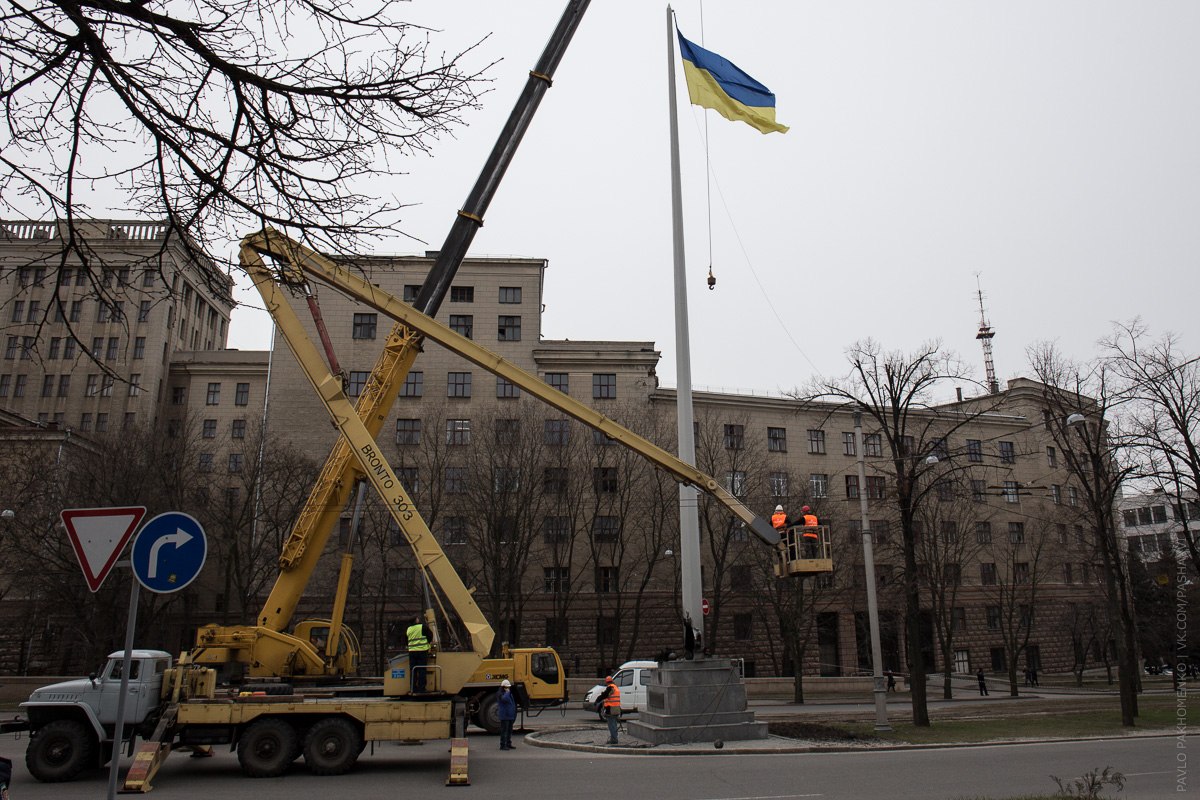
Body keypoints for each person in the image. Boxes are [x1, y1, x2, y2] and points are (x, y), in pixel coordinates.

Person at [406, 614, 432, 693]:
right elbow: (430, 635)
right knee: (422, 670)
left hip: (412, 652)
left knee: (413, 670)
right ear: (416, 620)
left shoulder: (409, 629)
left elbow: (405, 640)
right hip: (422, 651)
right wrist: (428, 643)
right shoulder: (422, 627)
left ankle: (413, 688)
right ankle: (421, 688)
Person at [600, 675, 621, 745]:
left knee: (611, 724)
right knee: (614, 724)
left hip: (611, 709)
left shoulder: (610, 687)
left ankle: (614, 739)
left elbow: (605, 695)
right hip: (616, 709)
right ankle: (614, 738)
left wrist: (598, 700)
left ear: (607, 682)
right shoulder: (616, 687)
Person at [497, 679, 517, 750]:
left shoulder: (509, 694)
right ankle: (503, 745)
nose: (507, 689)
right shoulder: (502, 694)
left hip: (510, 715)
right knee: (504, 731)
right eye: (506, 687)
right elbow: (504, 699)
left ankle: (508, 743)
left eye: (508, 687)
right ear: (503, 687)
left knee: (509, 730)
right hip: (505, 715)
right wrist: (507, 693)